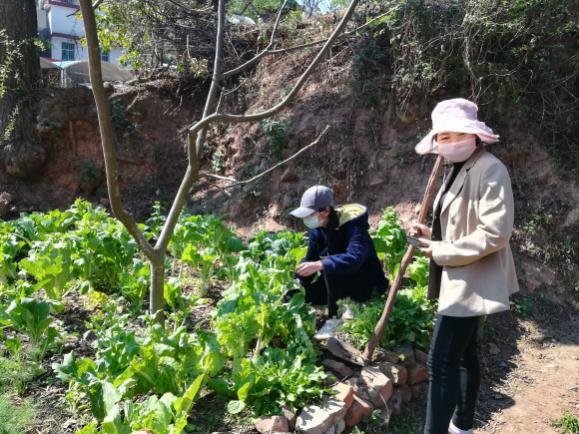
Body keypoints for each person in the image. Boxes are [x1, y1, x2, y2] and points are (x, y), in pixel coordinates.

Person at [410, 98, 519, 434]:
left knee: (440, 361)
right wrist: (430, 235)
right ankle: (463, 425)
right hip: (461, 274)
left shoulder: (490, 169)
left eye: (458, 134)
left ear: (475, 136)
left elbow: (494, 233)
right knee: (464, 352)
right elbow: (461, 224)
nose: (450, 141)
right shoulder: (457, 169)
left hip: (473, 278)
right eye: (443, 136)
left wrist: (441, 249)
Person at [289, 185, 388, 317]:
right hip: (339, 283)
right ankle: (335, 310)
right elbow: (310, 261)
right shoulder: (317, 231)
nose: (306, 218)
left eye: (309, 214)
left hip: (365, 282)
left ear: (325, 211)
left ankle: (338, 316)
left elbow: (355, 259)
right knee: (304, 292)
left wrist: (321, 264)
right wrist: (294, 287)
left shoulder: (354, 227)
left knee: (329, 267)